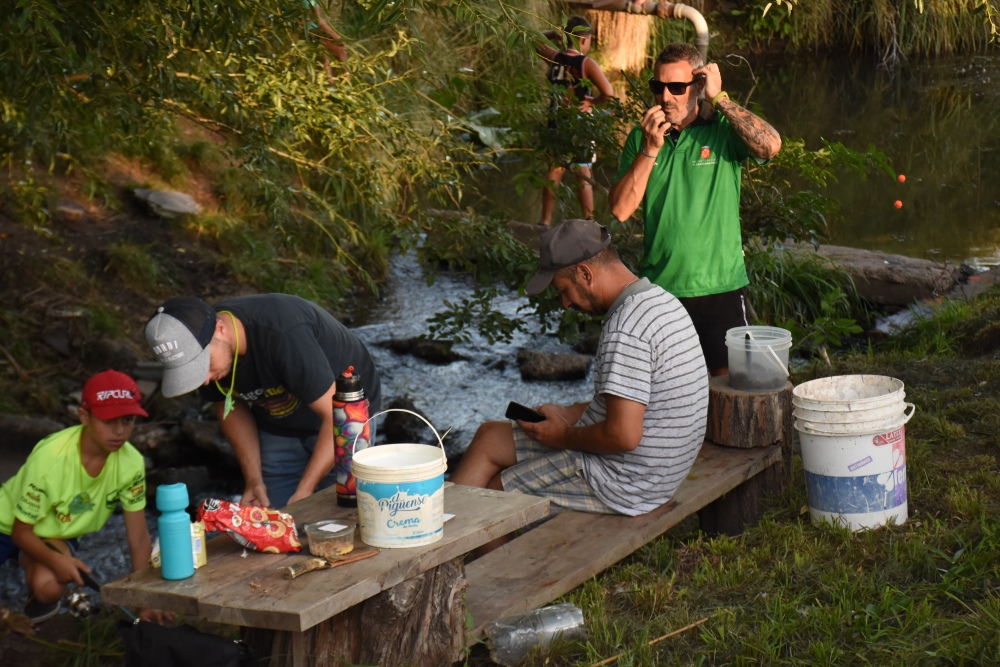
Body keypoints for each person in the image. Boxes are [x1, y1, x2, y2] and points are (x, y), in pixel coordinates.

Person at [450, 220, 708, 526]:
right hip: (660, 468)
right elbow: (638, 403)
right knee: (489, 437)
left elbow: (623, 436)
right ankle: (438, 538)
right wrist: (569, 413)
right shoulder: (659, 301)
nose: (565, 302)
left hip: (628, 482)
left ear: (585, 273)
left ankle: (475, 568)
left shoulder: (626, 330)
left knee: (494, 497)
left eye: (564, 289)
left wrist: (561, 436)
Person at [607, 43, 782, 375]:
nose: (665, 97)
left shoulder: (722, 131)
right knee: (665, 393)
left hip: (721, 289)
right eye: (658, 86)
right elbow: (619, 210)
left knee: (731, 398)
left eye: (677, 87)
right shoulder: (640, 139)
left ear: (699, 85)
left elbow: (770, 145)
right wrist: (650, 149)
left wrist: (722, 99)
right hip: (660, 291)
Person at [145, 293, 382, 509]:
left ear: (220, 329)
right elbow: (230, 408)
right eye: (192, 374)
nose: (204, 380)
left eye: (203, 366)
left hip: (346, 412)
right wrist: (253, 480)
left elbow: (336, 417)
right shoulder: (202, 337)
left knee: (339, 510)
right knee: (273, 515)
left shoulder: (282, 333)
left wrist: (305, 490)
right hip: (278, 421)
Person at [0, 370, 173, 625]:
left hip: (54, 532)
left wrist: (144, 601)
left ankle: (33, 593)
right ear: (84, 416)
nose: (119, 431)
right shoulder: (51, 458)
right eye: (108, 421)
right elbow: (20, 532)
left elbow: (138, 538)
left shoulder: (131, 463)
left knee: (48, 587)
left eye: (127, 420)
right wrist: (57, 560)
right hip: (7, 523)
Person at [535, 16, 615, 227]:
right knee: (583, 173)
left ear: (566, 37)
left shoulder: (555, 57)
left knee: (555, 169)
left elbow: (535, 40)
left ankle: (544, 220)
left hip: (556, 120)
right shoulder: (586, 63)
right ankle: (589, 222)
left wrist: (553, 34)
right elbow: (609, 92)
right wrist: (593, 102)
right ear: (585, 40)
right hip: (579, 124)